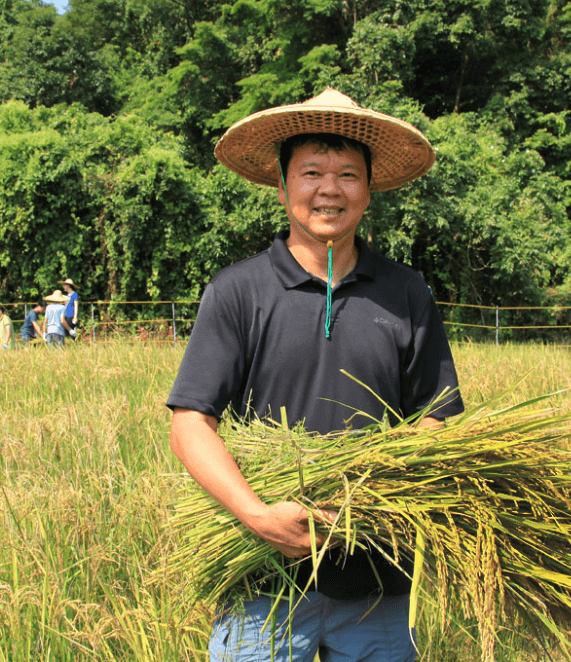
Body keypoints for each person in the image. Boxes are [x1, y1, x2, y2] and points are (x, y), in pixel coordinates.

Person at [167, 88, 464, 662]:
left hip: (381, 582)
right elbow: (190, 422)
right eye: (311, 172)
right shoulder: (238, 291)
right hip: (264, 585)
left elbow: (439, 414)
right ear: (282, 188)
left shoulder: (406, 292)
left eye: (349, 174)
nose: (330, 189)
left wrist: (379, 491)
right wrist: (258, 516)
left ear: (369, 190)